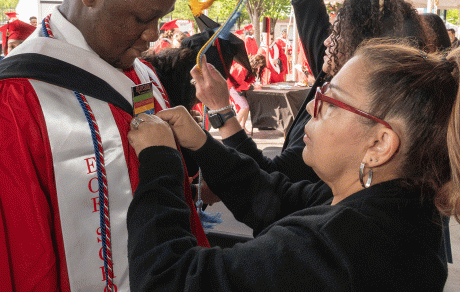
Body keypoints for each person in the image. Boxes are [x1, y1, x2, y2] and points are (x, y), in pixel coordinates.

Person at [0, 0, 208, 290]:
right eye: (142, 18)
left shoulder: (144, 77)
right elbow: (1, 262)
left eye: (161, 17)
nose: (154, 35)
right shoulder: (9, 104)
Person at [126, 42, 460, 291]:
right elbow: (274, 198)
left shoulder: (337, 247)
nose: (313, 105)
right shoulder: (396, 203)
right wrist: (201, 142)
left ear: (380, 144)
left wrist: (160, 161)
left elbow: (168, 279)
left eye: (331, 102)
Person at [192, 0, 435, 184]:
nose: (327, 42)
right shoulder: (349, 76)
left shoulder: (350, 114)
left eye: (337, 34)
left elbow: (271, 183)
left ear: (363, 49)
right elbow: (310, 13)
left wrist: (221, 111)